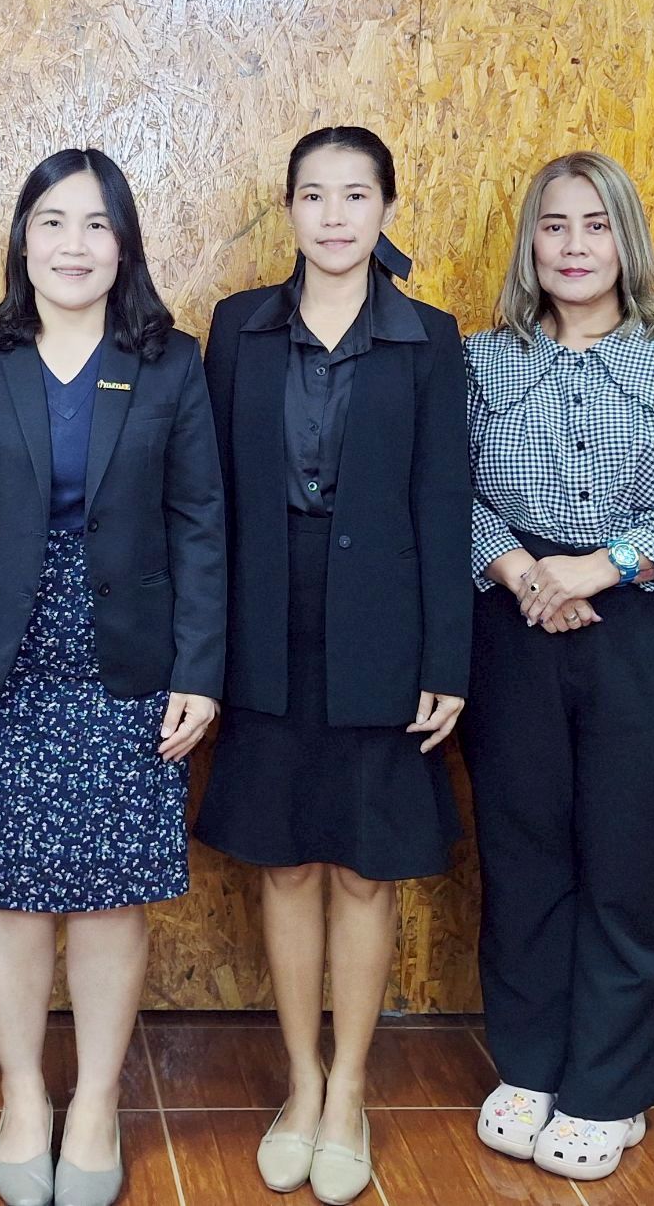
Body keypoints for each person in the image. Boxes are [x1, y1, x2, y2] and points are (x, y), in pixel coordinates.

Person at [0, 149, 228, 1206]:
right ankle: (23, 1097)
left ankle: (93, 1100)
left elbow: (200, 523)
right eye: (52, 223)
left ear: (124, 244)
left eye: (97, 225)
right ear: (22, 240)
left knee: (109, 898)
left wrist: (200, 669)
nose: (74, 246)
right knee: (8, 893)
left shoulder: (171, 361)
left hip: (128, 655)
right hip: (1, 655)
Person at [462, 152, 654, 1182]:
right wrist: (521, 574)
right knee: (524, 856)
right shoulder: (480, 364)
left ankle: (609, 1087)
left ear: (626, 242)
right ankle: (533, 1066)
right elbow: (437, 484)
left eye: (598, 225)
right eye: (555, 225)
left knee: (627, 867)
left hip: (646, 633)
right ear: (530, 242)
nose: (576, 245)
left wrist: (598, 567)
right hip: (511, 630)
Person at [193, 126, 471, 1206]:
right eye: (315, 195)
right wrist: (203, 656)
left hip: (384, 627)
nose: (336, 216)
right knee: (287, 860)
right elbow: (204, 500)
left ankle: (350, 1087)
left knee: (362, 864)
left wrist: (446, 654)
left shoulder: (428, 336)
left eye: (357, 195)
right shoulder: (238, 329)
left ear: (386, 208)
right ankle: (299, 1084)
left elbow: (445, 500)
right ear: (290, 209)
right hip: (265, 621)